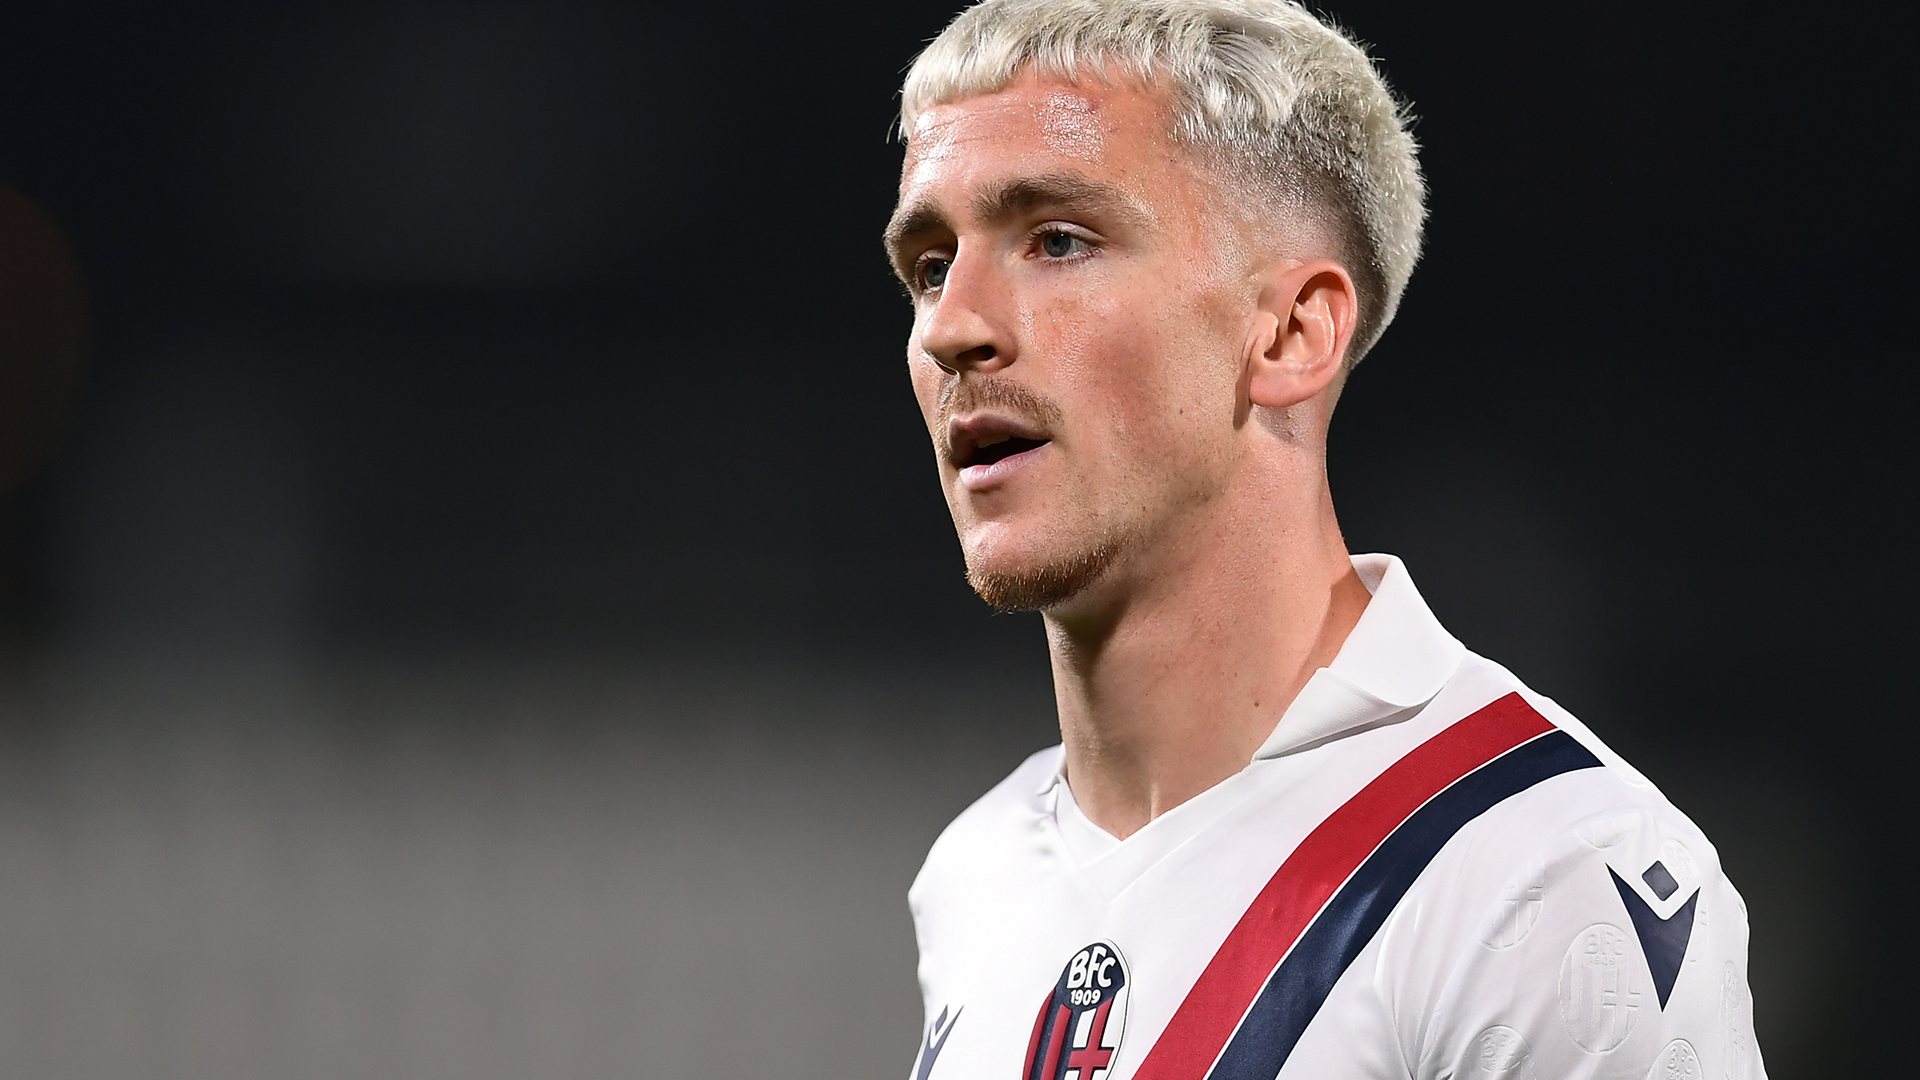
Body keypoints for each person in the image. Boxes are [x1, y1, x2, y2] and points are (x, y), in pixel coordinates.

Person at [880, 2, 1766, 1078]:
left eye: (1058, 241)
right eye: (931, 265)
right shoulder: (978, 869)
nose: (950, 327)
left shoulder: (1546, 872)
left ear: (1294, 333)